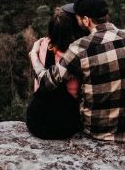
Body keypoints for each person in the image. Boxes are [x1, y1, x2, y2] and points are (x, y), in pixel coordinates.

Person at [28, 0, 125, 143]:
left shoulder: (79, 48)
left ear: (86, 20)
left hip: (97, 131)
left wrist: (33, 56)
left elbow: (46, 82)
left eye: (77, 17)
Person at [25, 8, 87, 139]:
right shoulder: (78, 56)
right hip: (67, 125)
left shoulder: (42, 45)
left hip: (37, 123)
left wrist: (34, 53)